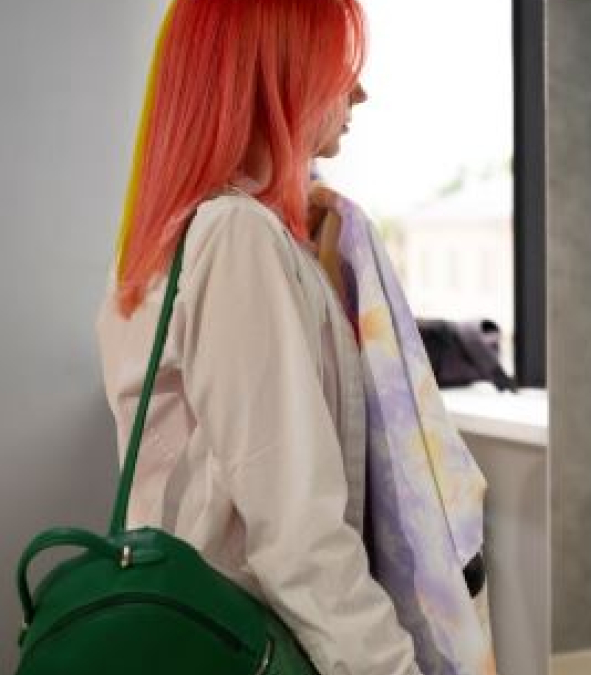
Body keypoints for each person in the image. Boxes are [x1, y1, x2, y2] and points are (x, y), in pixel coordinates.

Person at [96, 1, 423, 673]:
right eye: (338, 66)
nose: (359, 92)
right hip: (240, 646)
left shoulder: (170, 236)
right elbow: (297, 533)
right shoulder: (235, 238)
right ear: (278, 72)